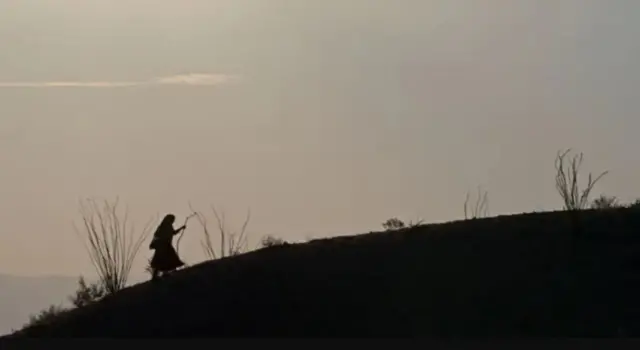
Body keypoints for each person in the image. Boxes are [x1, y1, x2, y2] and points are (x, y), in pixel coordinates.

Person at [149, 214, 186, 281]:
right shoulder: (163, 226)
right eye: (172, 219)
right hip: (162, 246)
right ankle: (155, 277)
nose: (173, 221)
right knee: (160, 260)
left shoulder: (168, 226)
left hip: (166, 245)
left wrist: (181, 228)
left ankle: (164, 273)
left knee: (166, 260)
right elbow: (157, 234)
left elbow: (173, 233)